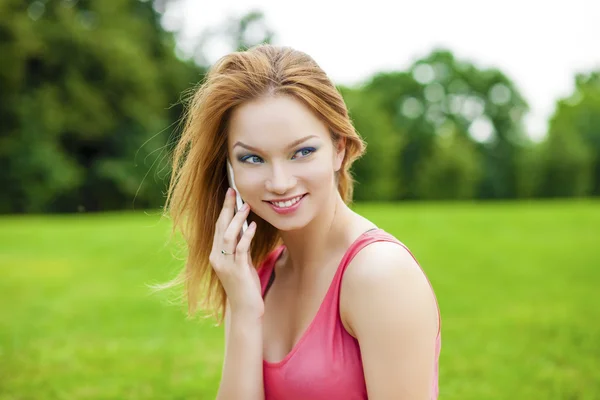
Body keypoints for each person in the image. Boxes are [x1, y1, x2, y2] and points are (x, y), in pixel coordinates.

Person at [163, 44, 441, 400]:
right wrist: (245, 310)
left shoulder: (380, 275)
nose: (279, 182)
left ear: (338, 148)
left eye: (302, 152)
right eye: (252, 158)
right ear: (230, 167)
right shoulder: (253, 276)